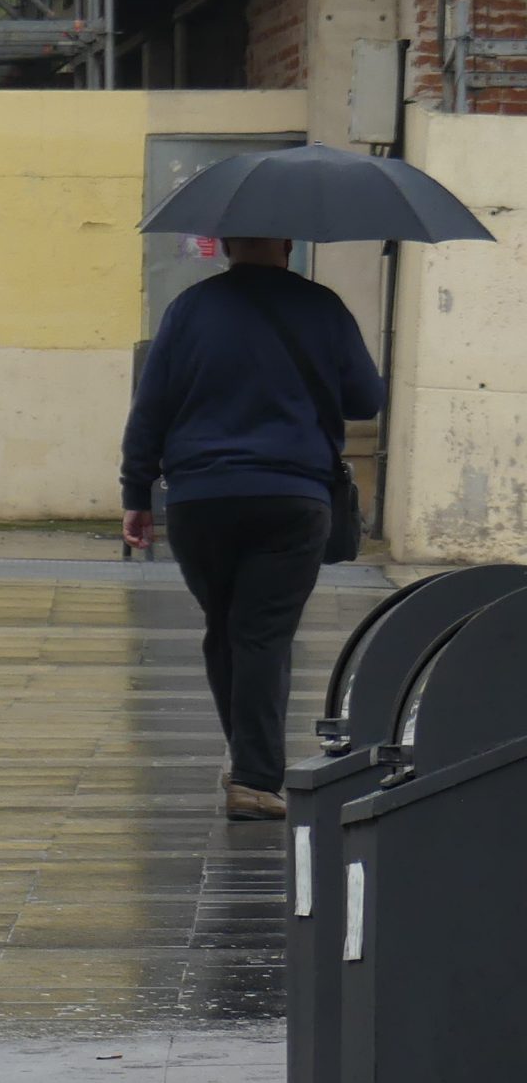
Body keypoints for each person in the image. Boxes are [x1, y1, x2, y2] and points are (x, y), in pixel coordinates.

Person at [121, 237, 383, 823]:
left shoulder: (189, 309)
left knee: (226, 628)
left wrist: (136, 493)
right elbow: (366, 399)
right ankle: (255, 778)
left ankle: (248, 761)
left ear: (229, 246)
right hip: (293, 496)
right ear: (288, 245)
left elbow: (151, 406)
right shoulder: (323, 306)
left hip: (201, 497)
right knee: (262, 632)